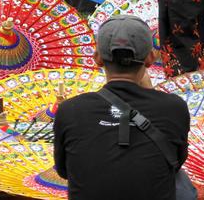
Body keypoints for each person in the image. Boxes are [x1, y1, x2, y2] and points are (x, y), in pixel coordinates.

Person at [53, 15, 192, 200]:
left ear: (98, 58)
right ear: (151, 58)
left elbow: (64, 171)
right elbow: (175, 163)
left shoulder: (70, 110)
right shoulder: (174, 108)